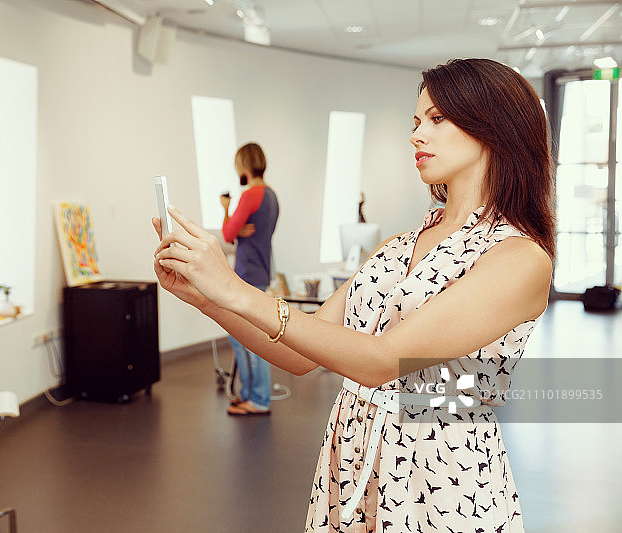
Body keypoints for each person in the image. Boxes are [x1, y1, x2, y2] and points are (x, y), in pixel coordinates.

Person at [152, 58, 553, 532]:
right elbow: (300, 353)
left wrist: (233, 288)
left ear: (494, 128)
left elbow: (383, 360)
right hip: (351, 455)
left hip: (440, 474)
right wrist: (208, 298)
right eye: (416, 122)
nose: (417, 135)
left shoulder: (519, 258)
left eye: (437, 118)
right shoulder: (396, 246)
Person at [219, 142, 279, 416]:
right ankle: (248, 394)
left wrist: (226, 209)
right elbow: (262, 233)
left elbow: (228, 234)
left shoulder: (249, 195)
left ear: (243, 166)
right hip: (261, 272)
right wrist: (241, 228)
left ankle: (258, 399)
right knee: (242, 336)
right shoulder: (271, 196)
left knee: (250, 339)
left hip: (246, 274)